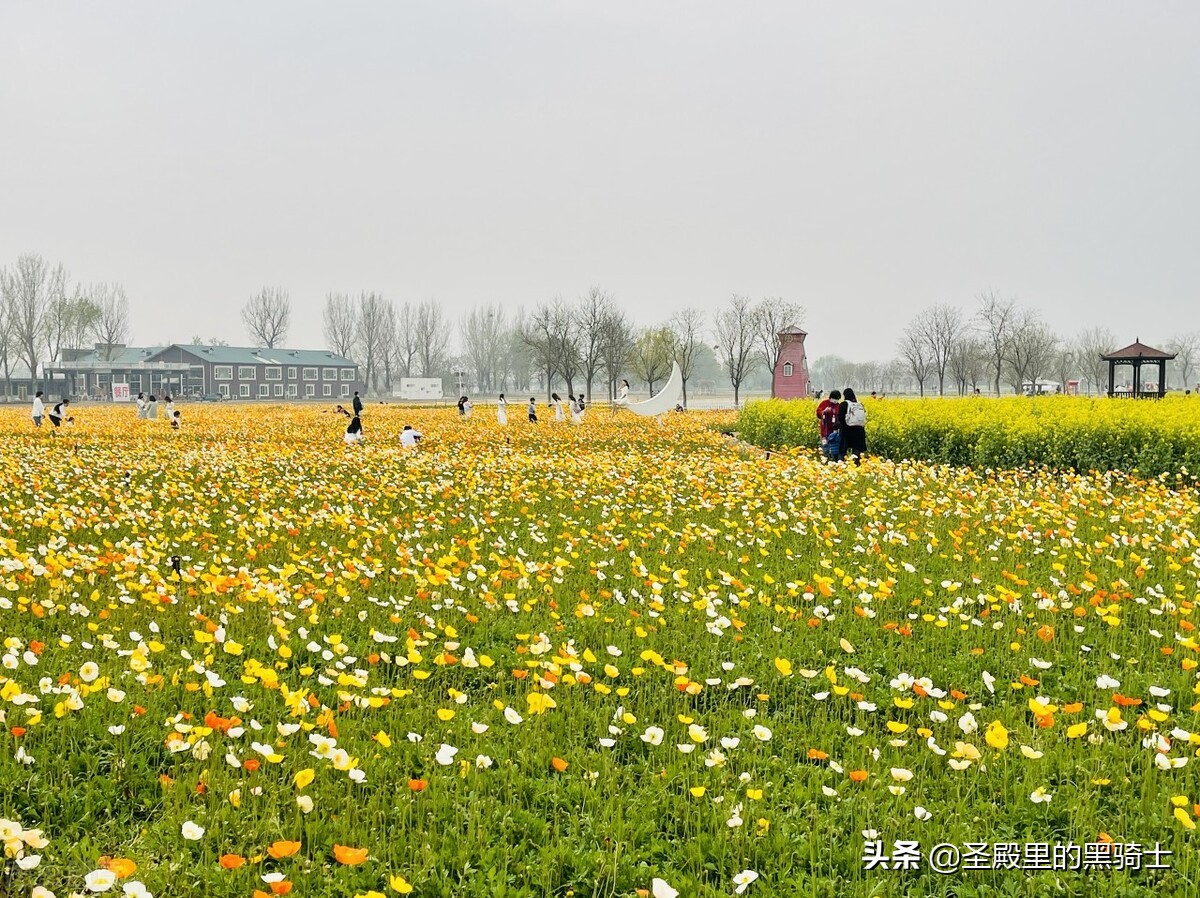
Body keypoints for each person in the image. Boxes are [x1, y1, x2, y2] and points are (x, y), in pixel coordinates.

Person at [837, 388, 867, 465]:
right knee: (856, 451)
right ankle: (856, 466)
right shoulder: (860, 404)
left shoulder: (844, 404)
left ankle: (840, 465)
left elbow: (840, 417)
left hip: (847, 430)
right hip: (859, 431)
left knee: (842, 450)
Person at [816, 389, 841, 462]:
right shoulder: (824, 403)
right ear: (831, 397)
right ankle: (826, 459)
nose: (836, 400)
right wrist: (824, 411)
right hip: (825, 429)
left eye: (837, 399)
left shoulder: (838, 405)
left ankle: (834, 459)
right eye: (835, 398)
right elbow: (818, 412)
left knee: (835, 446)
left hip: (835, 430)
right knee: (825, 445)